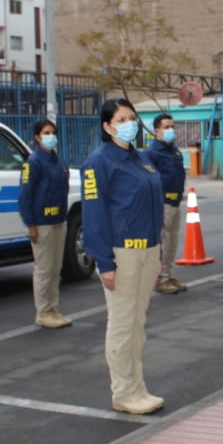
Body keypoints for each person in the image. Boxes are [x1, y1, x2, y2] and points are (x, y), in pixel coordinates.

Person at [82, 99, 166, 415]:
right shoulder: (99, 163)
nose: (129, 123)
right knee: (122, 324)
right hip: (123, 253)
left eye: (132, 117)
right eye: (121, 119)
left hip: (147, 249)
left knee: (137, 324)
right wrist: (104, 262)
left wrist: (156, 250)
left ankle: (137, 387)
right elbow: (94, 215)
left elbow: (153, 206)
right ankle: (123, 392)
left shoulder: (140, 159)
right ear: (107, 126)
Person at [19, 118, 73, 329]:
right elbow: (25, 196)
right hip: (42, 223)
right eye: (46, 132)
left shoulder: (57, 161)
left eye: (53, 132)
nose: (51, 136)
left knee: (55, 268)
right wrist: (30, 224)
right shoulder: (33, 162)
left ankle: (54, 308)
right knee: (44, 269)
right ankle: (43, 311)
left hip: (58, 220)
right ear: (37, 137)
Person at [144, 113, 188, 294]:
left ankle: (169, 274)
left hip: (175, 201)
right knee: (163, 241)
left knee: (172, 240)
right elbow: (149, 180)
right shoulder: (151, 153)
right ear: (157, 131)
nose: (171, 130)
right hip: (162, 202)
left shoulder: (174, 151)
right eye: (166, 127)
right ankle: (161, 279)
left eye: (172, 127)